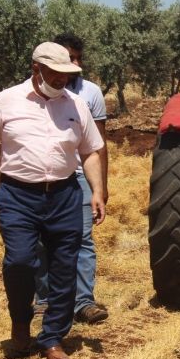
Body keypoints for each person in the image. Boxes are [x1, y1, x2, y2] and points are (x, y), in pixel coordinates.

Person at [0, 42, 106, 359]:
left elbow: (90, 151)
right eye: (56, 73)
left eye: (67, 74)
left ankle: (51, 337)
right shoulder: (7, 100)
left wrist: (97, 191)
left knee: (64, 267)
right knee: (20, 261)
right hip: (18, 195)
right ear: (37, 69)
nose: (63, 79)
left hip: (64, 195)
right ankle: (21, 322)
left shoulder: (76, 104)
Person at [32, 33, 110, 324]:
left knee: (83, 239)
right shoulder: (35, 93)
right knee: (43, 240)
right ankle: (44, 300)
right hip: (45, 178)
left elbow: (99, 143)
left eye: (78, 57)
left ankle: (83, 302)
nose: (74, 63)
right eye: (69, 58)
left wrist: (101, 185)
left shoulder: (91, 93)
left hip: (80, 177)